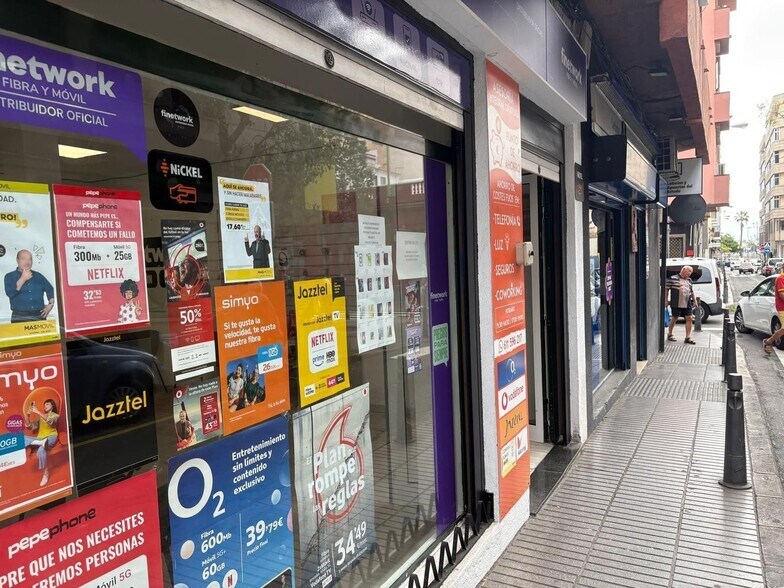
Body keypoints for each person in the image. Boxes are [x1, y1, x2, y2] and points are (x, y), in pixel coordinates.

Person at [3, 249, 55, 322]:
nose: (27, 262)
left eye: (29, 259)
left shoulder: (38, 276)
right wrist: (23, 279)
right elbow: (10, 293)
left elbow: (50, 289)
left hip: (39, 316)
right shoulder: (9, 276)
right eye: (23, 259)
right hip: (19, 317)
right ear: (17, 260)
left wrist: (50, 305)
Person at [24, 399, 59, 487]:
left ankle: (45, 474)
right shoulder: (40, 418)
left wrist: (38, 411)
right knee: (22, 438)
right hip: (41, 439)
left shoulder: (55, 415)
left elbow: (51, 423)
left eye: (47, 404)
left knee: (40, 451)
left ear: (52, 406)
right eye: (44, 405)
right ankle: (40, 442)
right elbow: (30, 427)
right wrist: (27, 415)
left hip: (51, 437)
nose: (45, 406)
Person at [666, 265, 698, 344]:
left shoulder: (689, 280)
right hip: (676, 301)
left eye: (691, 272)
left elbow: (691, 291)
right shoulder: (673, 278)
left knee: (689, 318)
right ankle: (670, 334)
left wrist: (695, 300)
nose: (690, 273)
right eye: (689, 271)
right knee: (675, 317)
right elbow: (666, 289)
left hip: (687, 302)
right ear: (683, 270)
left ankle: (688, 337)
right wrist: (666, 300)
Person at [764, 266, 784, 354]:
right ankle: (768, 341)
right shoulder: (780, 279)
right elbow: (782, 294)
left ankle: (769, 341)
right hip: (782, 308)